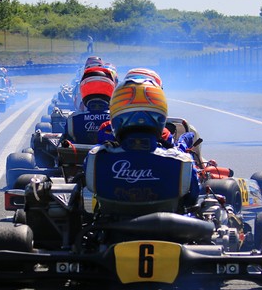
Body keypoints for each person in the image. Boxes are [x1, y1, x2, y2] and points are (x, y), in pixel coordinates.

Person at [84, 80, 200, 219]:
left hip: (111, 235)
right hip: (167, 235)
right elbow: (192, 199)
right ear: (160, 118)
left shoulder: (96, 157)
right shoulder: (182, 162)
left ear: (116, 118)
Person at [61, 67, 115, 145]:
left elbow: (66, 144)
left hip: (79, 156)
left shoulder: (73, 119)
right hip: (111, 156)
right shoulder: (117, 119)